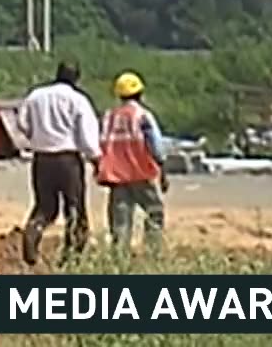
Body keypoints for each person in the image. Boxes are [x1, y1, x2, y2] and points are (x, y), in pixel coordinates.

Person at [14, 60, 101, 266]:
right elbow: (87, 135)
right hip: (68, 160)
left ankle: (32, 234)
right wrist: (95, 158)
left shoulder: (36, 95)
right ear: (77, 78)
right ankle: (70, 258)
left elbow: (21, 122)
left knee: (44, 207)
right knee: (75, 210)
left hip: (42, 159)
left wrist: (35, 136)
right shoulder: (78, 100)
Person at [97, 71, 169, 256]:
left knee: (120, 221)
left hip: (117, 177)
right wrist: (163, 170)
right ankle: (153, 252)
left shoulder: (109, 117)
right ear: (140, 93)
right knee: (154, 211)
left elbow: (100, 145)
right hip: (141, 174)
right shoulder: (142, 115)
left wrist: (99, 169)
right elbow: (156, 145)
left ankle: (120, 258)